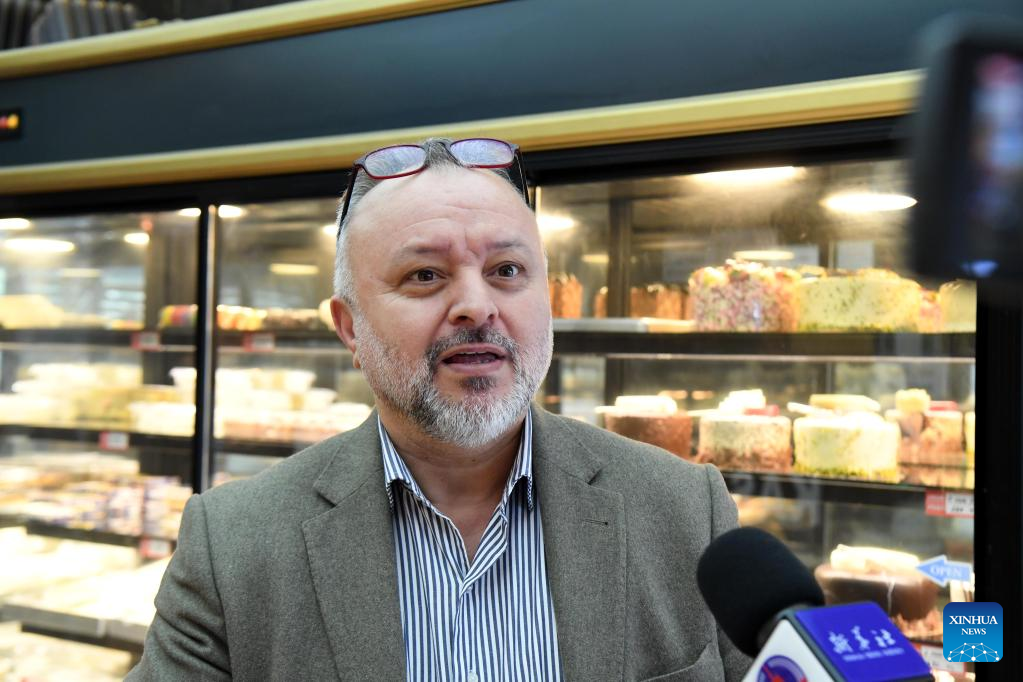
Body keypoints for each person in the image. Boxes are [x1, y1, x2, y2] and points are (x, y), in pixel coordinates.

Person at [127, 138, 751, 681]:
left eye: (507, 269)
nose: (476, 305)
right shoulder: (233, 545)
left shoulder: (684, 511)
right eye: (425, 275)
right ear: (350, 328)